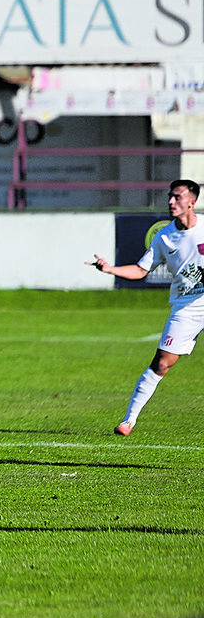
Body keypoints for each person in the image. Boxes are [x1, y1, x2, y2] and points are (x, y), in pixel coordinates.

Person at [88, 178, 204, 436]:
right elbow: (141, 270)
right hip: (186, 307)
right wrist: (110, 269)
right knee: (162, 364)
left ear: (192, 202)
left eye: (177, 197)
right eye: (170, 197)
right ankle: (129, 420)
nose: (171, 201)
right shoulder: (164, 236)